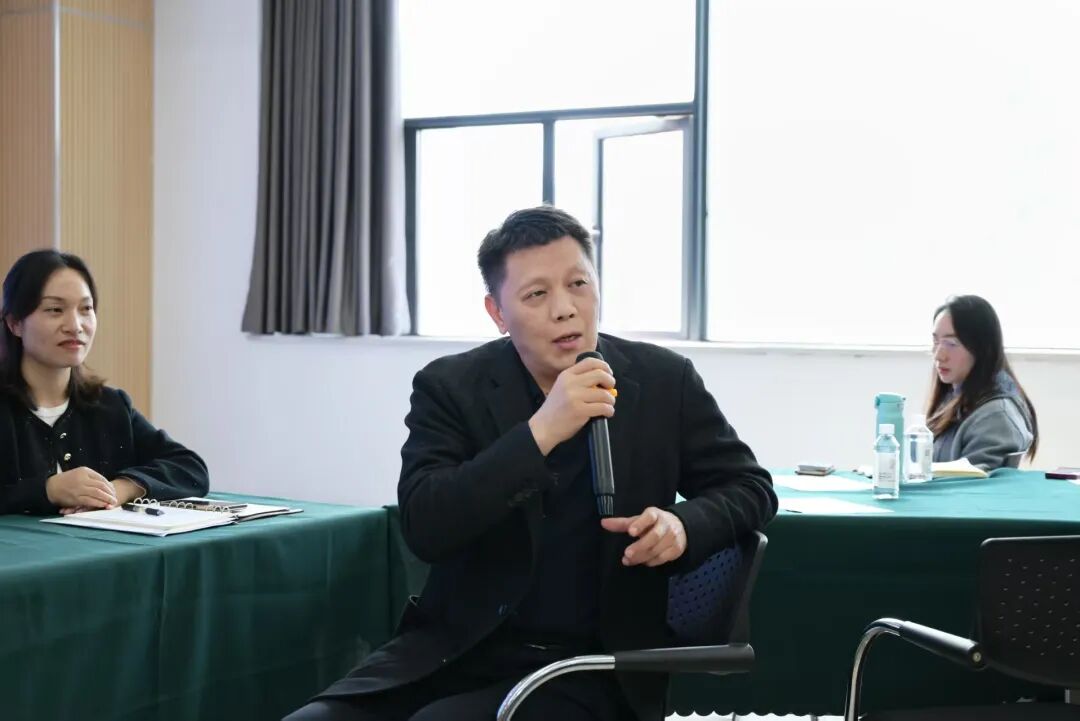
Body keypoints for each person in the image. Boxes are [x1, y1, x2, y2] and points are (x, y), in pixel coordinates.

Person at [287, 206, 776, 721]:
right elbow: (425, 526)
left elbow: (750, 487)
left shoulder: (663, 381)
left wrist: (683, 524)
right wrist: (541, 431)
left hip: (591, 667)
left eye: (578, 284)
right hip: (454, 651)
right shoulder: (450, 387)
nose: (565, 309)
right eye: (536, 294)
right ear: (497, 313)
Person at [0, 249, 209, 515]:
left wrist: (120, 489)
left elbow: (191, 469)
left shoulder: (110, 406)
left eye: (86, 309)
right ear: (15, 323)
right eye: (55, 310)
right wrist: (47, 490)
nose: (75, 325)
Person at [928, 294, 1038, 471]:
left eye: (952, 343)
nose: (938, 355)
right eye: (936, 341)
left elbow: (974, 484)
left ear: (981, 347)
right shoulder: (956, 397)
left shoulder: (995, 417)